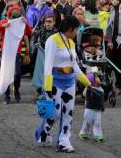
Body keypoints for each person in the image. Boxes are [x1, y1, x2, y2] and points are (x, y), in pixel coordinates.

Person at [35, 16, 91, 153]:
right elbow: (47, 65)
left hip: (70, 81)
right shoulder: (52, 40)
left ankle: (64, 141)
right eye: (76, 29)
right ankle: (43, 131)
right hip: (55, 81)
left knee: (68, 113)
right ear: (70, 28)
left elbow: (75, 66)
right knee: (56, 113)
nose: (77, 32)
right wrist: (47, 88)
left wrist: (88, 83)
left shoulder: (71, 43)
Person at [0, 6, 31, 103]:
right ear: (10, 12)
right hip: (6, 52)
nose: (16, 12)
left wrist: (26, 24)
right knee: (7, 73)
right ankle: (7, 94)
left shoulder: (21, 22)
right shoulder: (5, 21)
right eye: (14, 11)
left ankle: (16, 89)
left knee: (17, 74)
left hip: (17, 52)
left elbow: (29, 33)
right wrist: (3, 26)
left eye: (18, 11)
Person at [79, 73, 104, 142]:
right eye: (96, 78)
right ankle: (83, 133)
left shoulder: (100, 87)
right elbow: (84, 94)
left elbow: (101, 99)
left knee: (97, 123)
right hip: (90, 109)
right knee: (87, 122)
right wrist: (88, 87)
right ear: (93, 81)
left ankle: (98, 135)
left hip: (98, 110)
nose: (98, 78)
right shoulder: (89, 88)